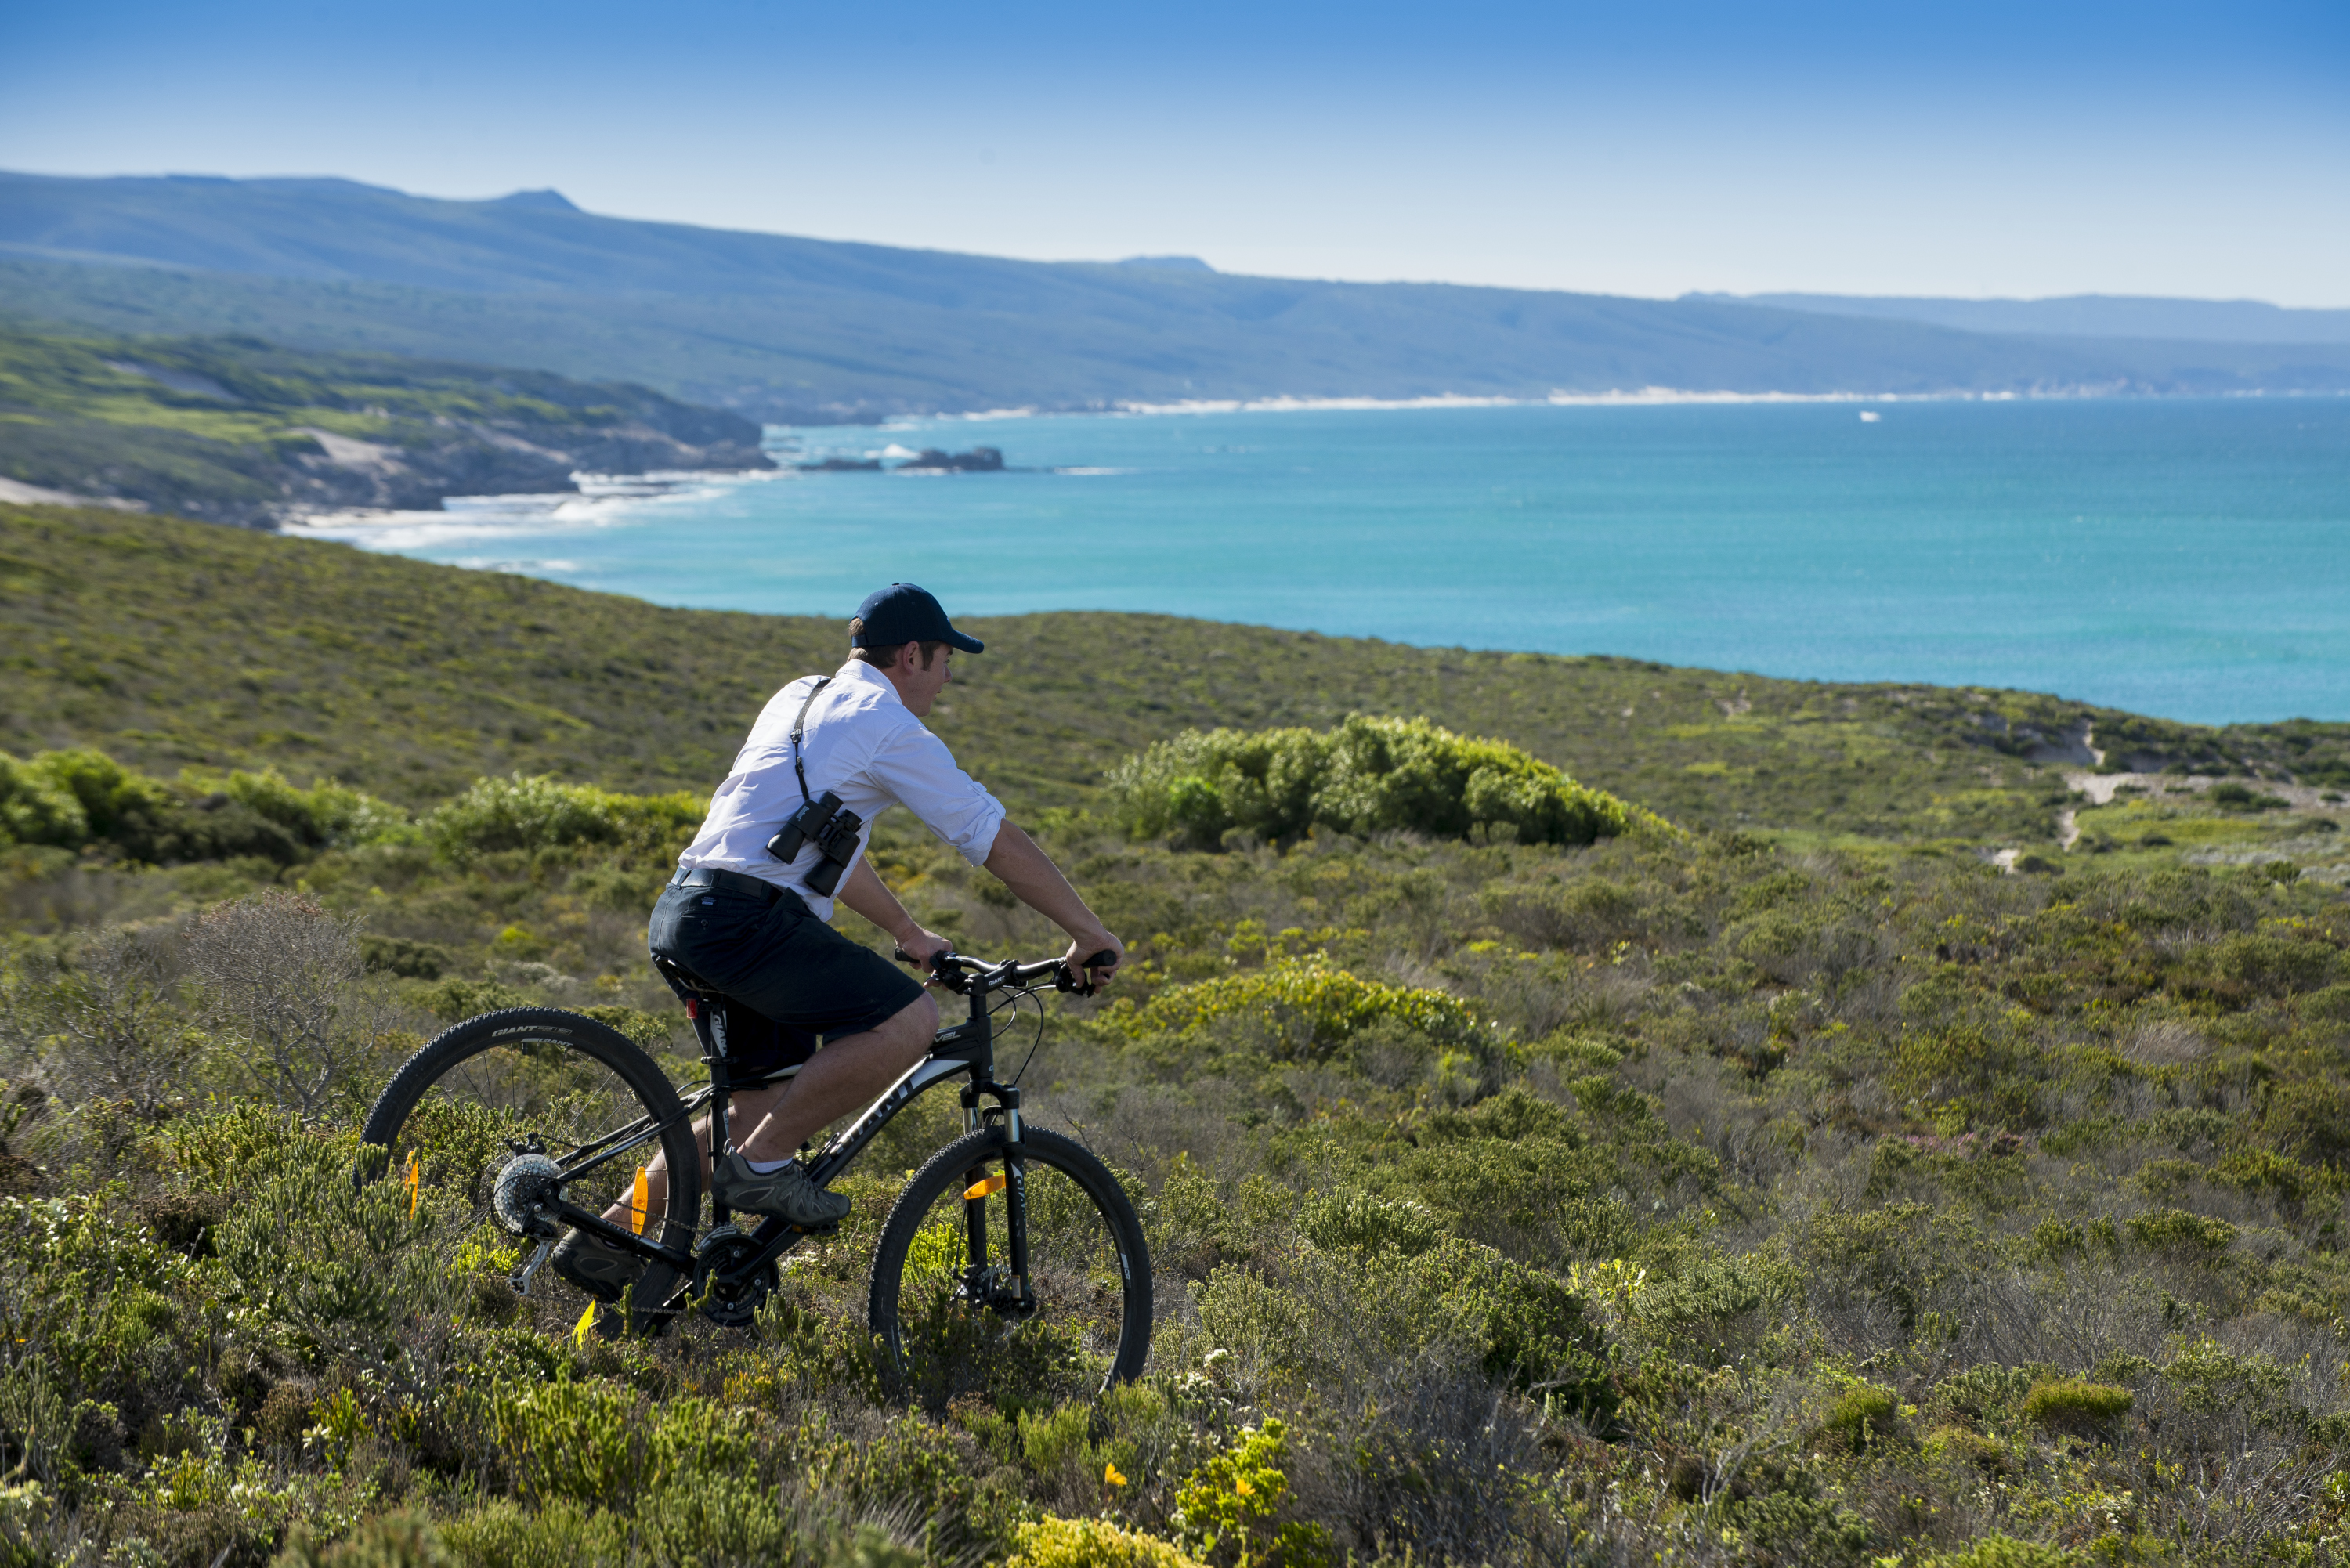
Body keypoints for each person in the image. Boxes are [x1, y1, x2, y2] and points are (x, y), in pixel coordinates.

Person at [550, 583, 1125, 1299]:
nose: (950, 675)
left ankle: (604, 1239)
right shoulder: (887, 724)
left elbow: (818, 847)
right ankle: (762, 1169)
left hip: (690, 909)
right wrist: (1088, 932)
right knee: (910, 1020)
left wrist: (906, 930)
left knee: (757, 1110)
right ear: (911, 655)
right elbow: (992, 840)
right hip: (748, 923)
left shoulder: (801, 694)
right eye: (946, 658)